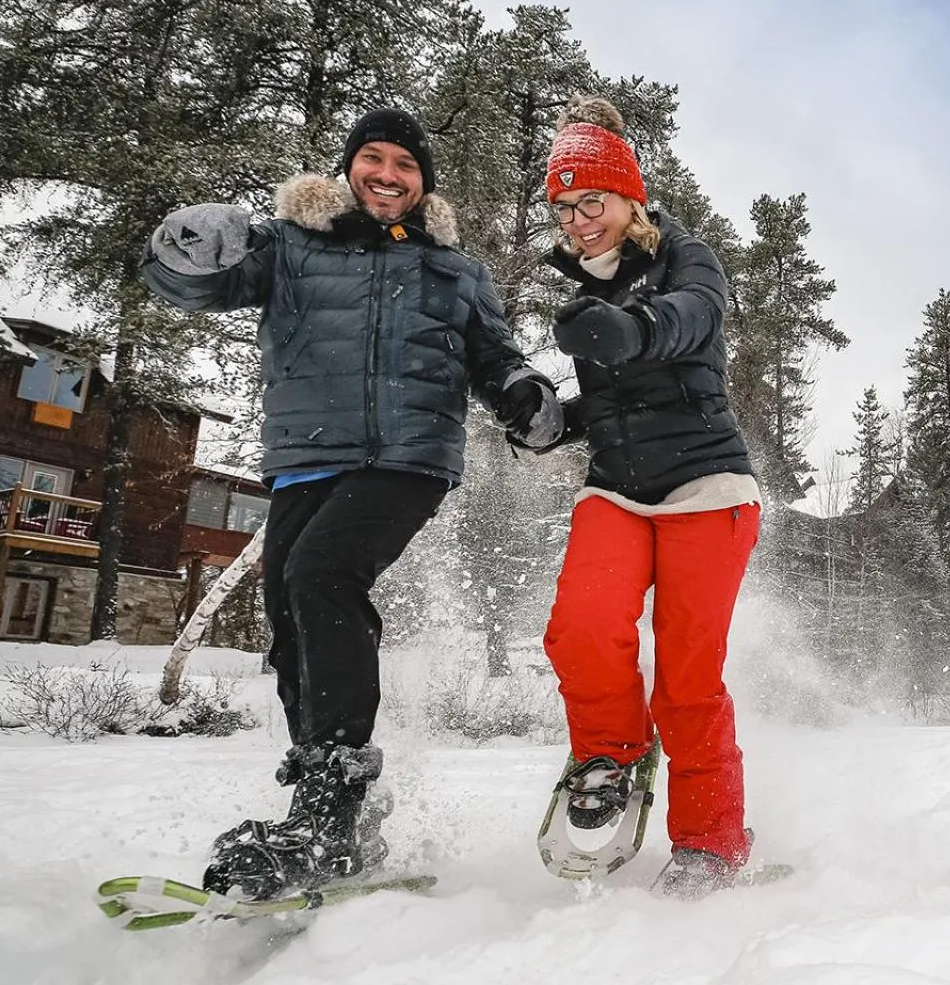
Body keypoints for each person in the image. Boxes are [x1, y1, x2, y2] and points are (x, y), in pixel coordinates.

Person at [142, 107, 562, 899]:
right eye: (373, 158)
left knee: (322, 576)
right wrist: (187, 243)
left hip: (409, 458)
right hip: (307, 458)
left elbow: (494, 358)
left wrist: (525, 394)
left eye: (405, 164)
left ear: (422, 183)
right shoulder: (290, 245)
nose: (388, 175)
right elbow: (194, 287)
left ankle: (330, 809)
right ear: (349, 169)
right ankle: (338, 814)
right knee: (292, 611)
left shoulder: (453, 269)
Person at [526, 95, 762, 899]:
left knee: (688, 676)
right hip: (618, 488)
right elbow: (619, 402)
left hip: (709, 485)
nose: (580, 221)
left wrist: (634, 329)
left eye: (593, 201)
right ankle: (610, 753)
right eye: (565, 208)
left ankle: (710, 840)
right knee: (581, 627)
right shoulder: (578, 288)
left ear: (631, 198)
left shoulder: (688, 257)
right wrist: (557, 419)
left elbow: (695, 321)